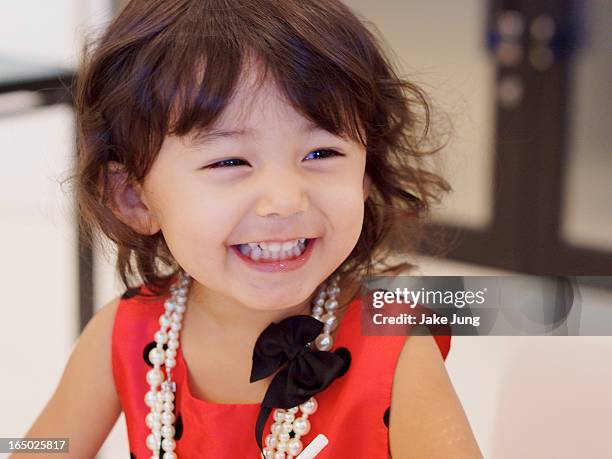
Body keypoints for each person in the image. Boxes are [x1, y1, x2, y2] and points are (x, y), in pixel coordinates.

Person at [16, 0, 483, 457]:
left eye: (321, 153)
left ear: (365, 173)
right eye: (230, 161)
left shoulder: (396, 343)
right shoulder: (126, 333)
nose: (284, 200)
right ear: (135, 197)